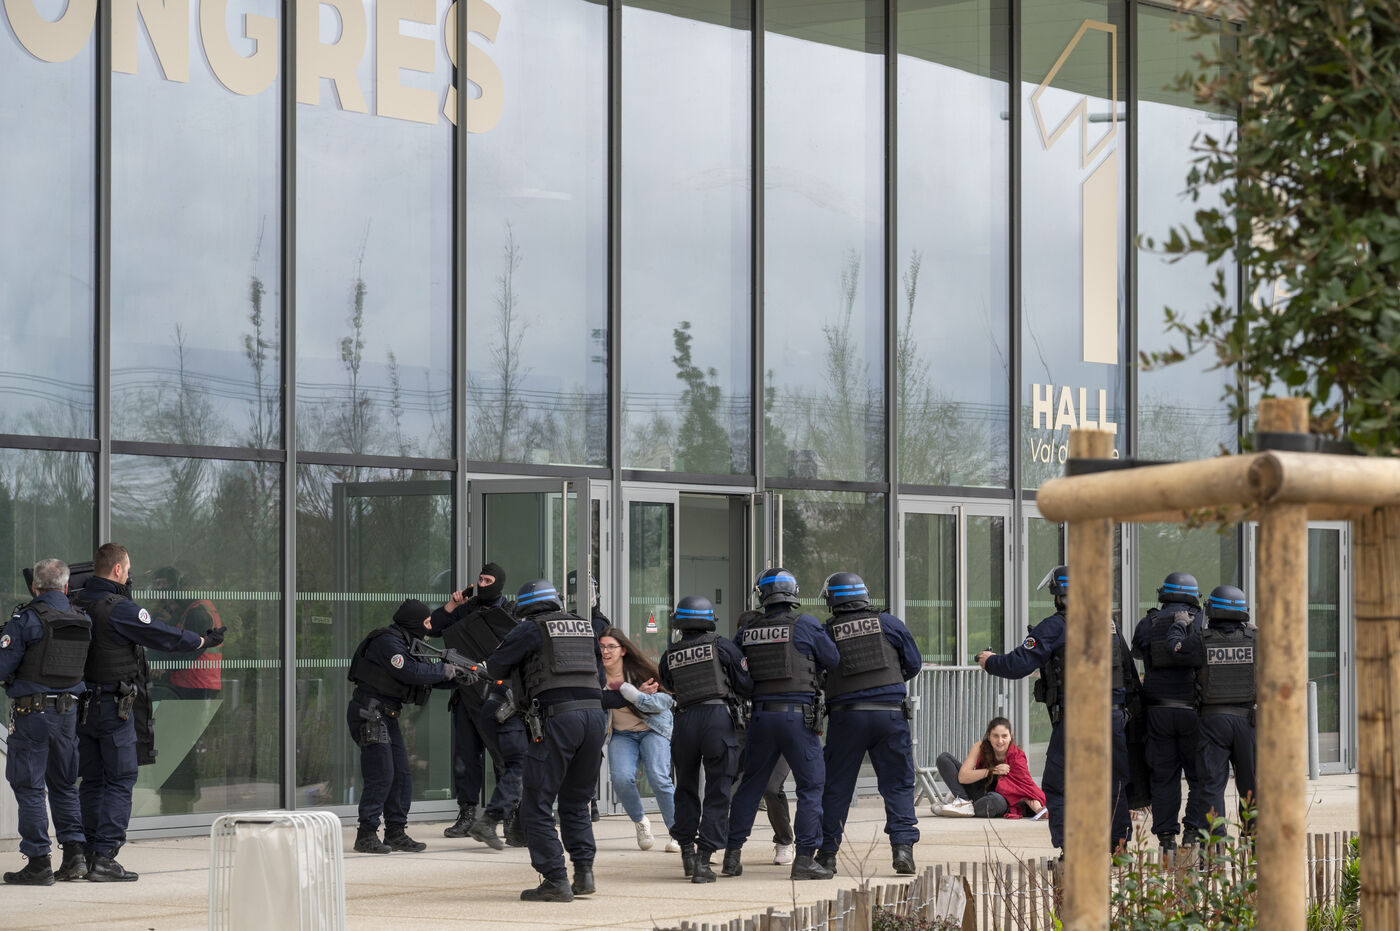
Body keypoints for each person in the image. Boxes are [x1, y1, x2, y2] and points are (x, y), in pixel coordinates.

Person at [71, 543, 223, 882]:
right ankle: (105, 856)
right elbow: (161, 634)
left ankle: (85, 853)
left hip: (82, 707)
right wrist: (201, 641)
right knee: (120, 778)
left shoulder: (77, 603)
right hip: (113, 707)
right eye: (127, 570)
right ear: (118, 569)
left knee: (91, 781)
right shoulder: (119, 608)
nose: (129, 576)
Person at [976, 565, 1139, 854]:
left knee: (1059, 785)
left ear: (1059, 596)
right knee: (1112, 783)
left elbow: (1018, 663)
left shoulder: (1056, 626)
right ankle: (1119, 848)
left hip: (1077, 719)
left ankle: (1070, 850)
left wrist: (989, 661)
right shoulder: (1109, 626)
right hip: (1112, 717)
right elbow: (1129, 675)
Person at [485, 579, 607, 903]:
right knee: (577, 801)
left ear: (525, 606)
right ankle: (584, 873)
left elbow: (495, 666)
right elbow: (600, 677)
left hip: (558, 719)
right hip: (595, 718)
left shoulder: (530, 628)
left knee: (536, 803)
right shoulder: (584, 627)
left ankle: (555, 879)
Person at [723, 568, 840, 881]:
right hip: (797, 718)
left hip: (761, 717)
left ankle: (732, 857)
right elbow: (832, 658)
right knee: (811, 787)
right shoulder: (806, 624)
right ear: (793, 592)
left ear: (761, 595)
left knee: (750, 786)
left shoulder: (748, 629)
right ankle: (804, 859)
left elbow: (735, 668)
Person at [815, 572, 922, 877]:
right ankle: (902, 849)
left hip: (846, 717)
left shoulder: (827, 631)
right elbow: (913, 663)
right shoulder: (889, 623)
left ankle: (827, 855)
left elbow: (818, 672)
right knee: (898, 784)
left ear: (833, 599)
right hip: (890, 715)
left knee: (837, 787)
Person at [346, 598, 460, 855]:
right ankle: (366, 834)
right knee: (382, 773)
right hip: (370, 713)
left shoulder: (407, 644)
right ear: (413, 622)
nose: (429, 627)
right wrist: (444, 670)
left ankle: (395, 832)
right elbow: (409, 671)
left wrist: (459, 677)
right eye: (427, 622)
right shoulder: (387, 642)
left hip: (386, 715)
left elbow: (425, 673)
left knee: (401, 775)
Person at [1, 558, 90, 885]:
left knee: (30, 787)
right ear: (66, 586)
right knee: (64, 784)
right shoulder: (82, 619)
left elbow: (3, 667)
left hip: (32, 715)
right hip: (68, 715)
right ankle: (75, 857)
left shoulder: (26, 619)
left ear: (34, 587)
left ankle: (38, 862)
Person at [427, 562, 524, 846]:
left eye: (487, 581)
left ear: (499, 583)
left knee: (503, 756)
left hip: (498, 696)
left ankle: (508, 816)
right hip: (465, 693)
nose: (481, 585)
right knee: (465, 758)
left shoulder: (511, 612)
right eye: (479, 580)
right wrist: (452, 605)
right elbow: (433, 628)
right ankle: (467, 814)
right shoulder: (467, 608)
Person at [659, 595, 752, 882]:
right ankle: (704, 859)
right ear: (710, 619)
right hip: (717, 719)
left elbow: (669, 683)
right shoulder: (722, 646)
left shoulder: (670, 654)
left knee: (685, 787)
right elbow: (745, 683)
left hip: (685, 720)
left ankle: (687, 853)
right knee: (718, 790)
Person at [1132, 571, 1210, 851]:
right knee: (1199, 776)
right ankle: (1192, 832)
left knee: (1163, 777)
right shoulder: (1203, 621)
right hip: (1194, 711)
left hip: (1158, 713)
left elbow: (1137, 652)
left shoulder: (1149, 622)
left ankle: (1166, 839)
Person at [1175, 585, 1257, 838]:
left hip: (1212, 722)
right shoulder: (1256, 639)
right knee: (1252, 785)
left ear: (1212, 610)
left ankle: (1215, 845)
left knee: (1211, 786)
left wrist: (1181, 625)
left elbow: (1175, 650)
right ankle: (1254, 841)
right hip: (1248, 722)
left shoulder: (1201, 640)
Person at [147, 565, 223, 813]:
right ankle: (182, 795)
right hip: (191, 682)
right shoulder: (191, 609)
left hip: (194, 684)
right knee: (179, 741)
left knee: (180, 742)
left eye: (170, 585)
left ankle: (180, 796)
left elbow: (191, 648)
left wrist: (164, 665)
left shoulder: (198, 611)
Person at [599, 627, 678, 853]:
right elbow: (598, 700)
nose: (605, 651)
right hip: (621, 734)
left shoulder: (639, 670)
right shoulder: (597, 676)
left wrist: (639, 697)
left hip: (652, 729)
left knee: (658, 777)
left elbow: (667, 700)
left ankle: (678, 832)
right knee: (621, 778)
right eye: (602, 647)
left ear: (623, 650)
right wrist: (630, 694)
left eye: (611, 647)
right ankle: (641, 822)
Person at [934, 717, 1046, 819]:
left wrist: (1038, 809)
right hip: (978, 789)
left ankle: (959, 809)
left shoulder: (1017, 757)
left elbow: (1025, 788)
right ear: (989, 736)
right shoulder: (980, 746)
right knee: (944, 758)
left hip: (1000, 798)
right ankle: (963, 802)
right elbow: (963, 777)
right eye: (995, 736)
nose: (1000, 741)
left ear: (1010, 736)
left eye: (1004, 736)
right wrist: (992, 771)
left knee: (995, 801)